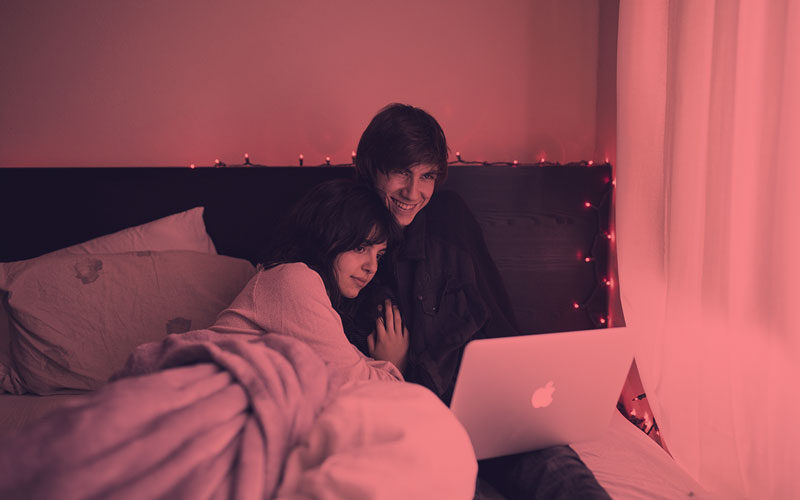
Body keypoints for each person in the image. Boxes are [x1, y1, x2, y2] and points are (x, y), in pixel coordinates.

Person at [348, 103, 612, 499]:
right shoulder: (349, 231)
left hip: (491, 410)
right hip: (416, 419)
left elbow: (496, 316)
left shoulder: (449, 217)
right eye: (401, 171)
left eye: (426, 176)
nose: (412, 192)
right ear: (372, 168)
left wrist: (528, 393)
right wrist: (394, 370)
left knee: (566, 479)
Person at [211, 178, 409, 384]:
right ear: (326, 234)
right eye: (360, 248)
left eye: (379, 255)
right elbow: (356, 380)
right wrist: (393, 365)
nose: (372, 267)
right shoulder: (293, 278)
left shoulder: (319, 296)